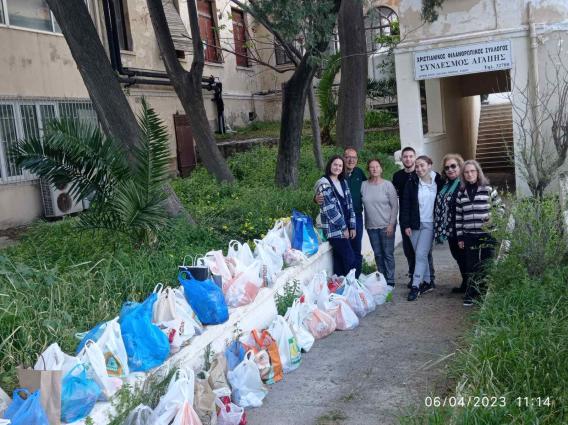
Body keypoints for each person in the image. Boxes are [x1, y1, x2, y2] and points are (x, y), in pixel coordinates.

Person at [455, 160, 503, 307]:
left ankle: (486, 294)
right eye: (466, 172)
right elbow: (459, 217)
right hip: (469, 235)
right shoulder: (461, 193)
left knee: (487, 263)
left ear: (478, 172)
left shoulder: (488, 189)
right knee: (472, 265)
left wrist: (493, 218)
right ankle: (471, 293)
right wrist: (460, 237)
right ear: (463, 175)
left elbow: (501, 208)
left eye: (472, 171)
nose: (469, 174)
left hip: (488, 233)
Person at [315, 147, 366, 277]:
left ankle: (343, 284)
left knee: (341, 258)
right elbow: (330, 210)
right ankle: (352, 283)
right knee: (350, 259)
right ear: (330, 166)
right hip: (335, 229)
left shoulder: (343, 181)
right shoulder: (324, 183)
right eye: (335, 165)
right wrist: (344, 228)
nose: (337, 167)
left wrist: (352, 226)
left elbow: (350, 205)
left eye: (340, 165)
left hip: (350, 223)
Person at [400, 155, 443, 301]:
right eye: (417, 166)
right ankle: (428, 282)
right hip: (414, 224)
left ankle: (415, 285)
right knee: (421, 255)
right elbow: (405, 204)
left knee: (420, 254)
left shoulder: (439, 181)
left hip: (430, 224)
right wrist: (405, 225)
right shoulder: (411, 182)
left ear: (429, 165)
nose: (419, 169)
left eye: (422, 165)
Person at [392, 147, 436, 288]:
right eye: (405, 156)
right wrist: (404, 223)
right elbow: (398, 199)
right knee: (410, 251)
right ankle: (415, 277)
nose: (408, 159)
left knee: (423, 252)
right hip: (408, 220)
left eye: (411, 156)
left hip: (425, 220)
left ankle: (427, 279)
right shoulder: (398, 177)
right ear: (401, 159)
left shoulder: (429, 178)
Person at [361, 158, 398, 287]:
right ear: (368, 169)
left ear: (381, 169)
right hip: (371, 227)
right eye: (372, 167)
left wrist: (391, 224)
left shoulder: (388, 185)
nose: (375, 169)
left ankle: (390, 280)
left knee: (388, 254)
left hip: (386, 225)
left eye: (377, 166)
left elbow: (395, 206)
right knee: (378, 255)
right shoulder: (363, 185)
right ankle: (383, 280)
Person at [434, 153, 467, 293]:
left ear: (460, 167)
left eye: (453, 166)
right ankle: (466, 284)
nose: (450, 169)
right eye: (447, 168)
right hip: (450, 230)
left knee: (465, 258)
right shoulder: (446, 185)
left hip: (462, 230)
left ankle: (471, 287)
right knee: (458, 257)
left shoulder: (464, 184)